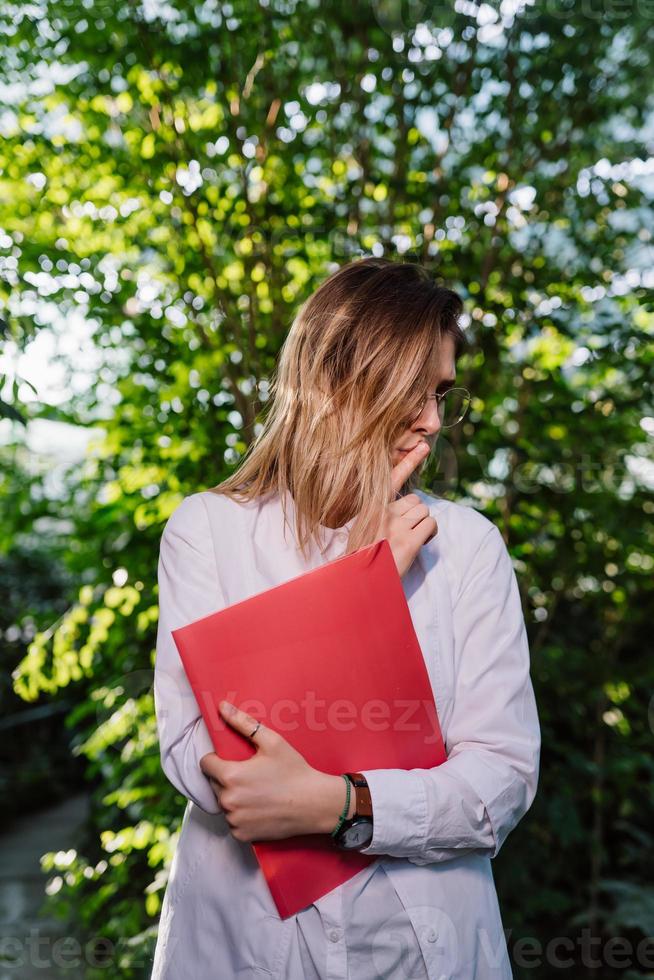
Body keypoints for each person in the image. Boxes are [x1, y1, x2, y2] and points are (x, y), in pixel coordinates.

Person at [150, 257, 541, 979]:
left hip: (423, 953)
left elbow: (502, 781)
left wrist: (345, 805)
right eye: (409, 391)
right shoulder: (205, 531)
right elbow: (202, 760)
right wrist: (362, 579)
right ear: (332, 384)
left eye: (441, 394)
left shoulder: (469, 546)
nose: (430, 421)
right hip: (243, 949)